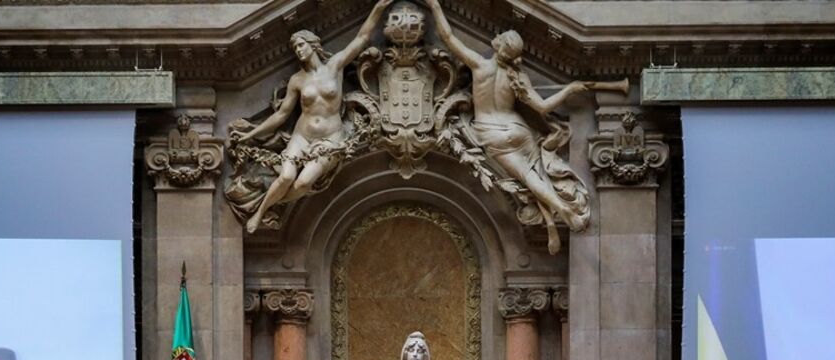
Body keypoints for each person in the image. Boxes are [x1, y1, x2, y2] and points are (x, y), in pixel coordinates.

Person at [423, 0, 594, 254]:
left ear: (499, 45)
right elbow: (543, 108)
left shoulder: (480, 66)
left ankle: (558, 211)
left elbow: (447, 37)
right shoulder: (517, 77)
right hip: (517, 129)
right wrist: (569, 89)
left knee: (527, 177)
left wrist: (435, 6)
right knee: (534, 175)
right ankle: (556, 212)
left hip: (491, 133)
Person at [232, 0, 391, 233]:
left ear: (313, 44)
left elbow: (361, 38)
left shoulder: (334, 66)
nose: (298, 50)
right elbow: (282, 115)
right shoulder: (297, 80)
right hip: (302, 137)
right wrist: (250, 135)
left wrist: (379, 8)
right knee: (286, 178)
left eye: (301, 45)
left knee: (304, 182)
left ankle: (268, 203)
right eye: (295, 47)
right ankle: (259, 213)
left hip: (330, 139)